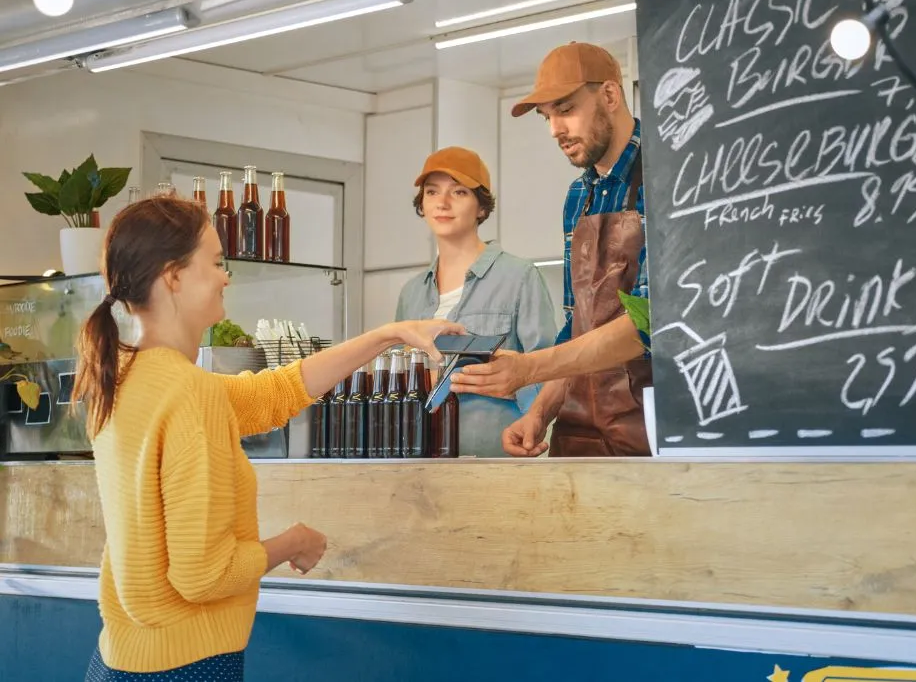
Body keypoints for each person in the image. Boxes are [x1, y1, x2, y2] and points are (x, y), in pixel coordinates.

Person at [75, 196, 463, 680]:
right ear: (173, 276)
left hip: (119, 659)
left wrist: (389, 335)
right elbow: (204, 574)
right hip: (183, 667)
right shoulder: (187, 392)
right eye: (215, 262)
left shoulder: (126, 376)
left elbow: (272, 394)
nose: (225, 276)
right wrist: (293, 542)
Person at [450, 42, 652, 458]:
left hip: (654, 430)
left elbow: (651, 323)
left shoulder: (668, 176)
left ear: (610, 96)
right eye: (547, 117)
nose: (554, 130)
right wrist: (539, 413)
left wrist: (528, 369)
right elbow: (576, 324)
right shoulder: (578, 196)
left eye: (566, 109)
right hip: (581, 432)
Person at [396, 146, 557, 456]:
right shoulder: (412, 292)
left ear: (481, 207)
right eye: (432, 192)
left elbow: (549, 372)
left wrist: (508, 380)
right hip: (419, 458)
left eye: (458, 192)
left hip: (495, 459)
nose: (442, 203)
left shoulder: (519, 277)